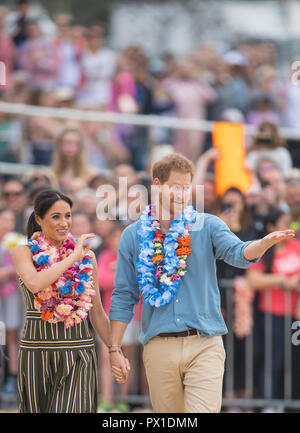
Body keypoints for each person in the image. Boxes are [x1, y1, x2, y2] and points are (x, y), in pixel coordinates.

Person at [108, 152, 295, 413]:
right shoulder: (133, 235)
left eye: (186, 187)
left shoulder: (207, 224)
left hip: (205, 344)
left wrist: (262, 244)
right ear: (157, 185)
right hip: (158, 346)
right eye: (176, 187)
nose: (183, 194)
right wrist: (114, 349)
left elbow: (238, 254)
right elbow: (123, 295)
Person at [12, 189, 128, 413]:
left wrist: (115, 351)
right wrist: (73, 257)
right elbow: (35, 283)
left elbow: (96, 313)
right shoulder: (23, 252)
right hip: (37, 353)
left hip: (78, 352)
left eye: (68, 215)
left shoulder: (88, 257)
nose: (64, 222)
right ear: (38, 219)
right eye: (56, 216)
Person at [246, 208, 300, 401]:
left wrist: (295, 278)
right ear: (271, 227)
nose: (290, 228)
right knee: (273, 360)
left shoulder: (296, 247)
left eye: (292, 224)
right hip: (271, 314)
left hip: (295, 316)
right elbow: (253, 279)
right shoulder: (264, 250)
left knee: (294, 362)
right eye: (285, 224)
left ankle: (291, 402)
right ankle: (269, 402)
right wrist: (282, 280)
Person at [0, 207, 21, 405]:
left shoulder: (18, 243)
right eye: (4, 219)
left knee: (11, 335)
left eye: (11, 219)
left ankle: (12, 380)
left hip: (12, 295)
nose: (7, 223)